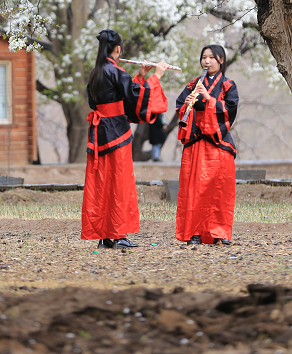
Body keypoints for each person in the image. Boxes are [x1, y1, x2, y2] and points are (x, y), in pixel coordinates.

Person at [81, 29, 168, 249]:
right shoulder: (116, 72)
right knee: (119, 183)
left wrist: (140, 76)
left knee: (103, 183)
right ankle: (119, 235)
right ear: (118, 49)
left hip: (99, 133)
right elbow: (135, 96)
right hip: (117, 133)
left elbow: (125, 93)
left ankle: (105, 236)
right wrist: (156, 77)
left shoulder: (95, 72)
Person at [175, 44, 239, 246]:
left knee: (219, 189)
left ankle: (219, 232)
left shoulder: (228, 84)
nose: (207, 61)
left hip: (217, 142)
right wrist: (187, 104)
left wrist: (209, 98)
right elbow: (180, 106)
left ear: (221, 60)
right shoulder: (194, 83)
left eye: (211, 57)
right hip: (196, 141)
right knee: (195, 189)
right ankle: (195, 233)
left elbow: (230, 110)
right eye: (204, 57)